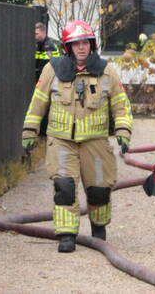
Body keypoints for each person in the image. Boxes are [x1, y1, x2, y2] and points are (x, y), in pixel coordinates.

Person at [21, 19, 133, 252]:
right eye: (76, 43)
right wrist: (29, 130)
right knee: (64, 186)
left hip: (96, 142)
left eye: (85, 43)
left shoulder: (106, 71)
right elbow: (38, 102)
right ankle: (67, 235)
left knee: (99, 189)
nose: (81, 48)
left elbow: (121, 105)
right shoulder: (52, 70)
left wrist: (123, 131)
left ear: (91, 44)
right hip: (61, 141)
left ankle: (98, 228)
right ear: (68, 46)